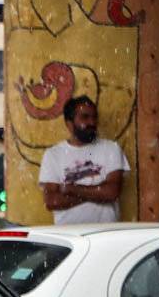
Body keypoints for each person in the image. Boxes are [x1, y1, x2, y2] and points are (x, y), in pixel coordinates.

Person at [39, 96, 130, 224]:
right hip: (69, 237)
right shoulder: (53, 155)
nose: (92, 123)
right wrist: (96, 193)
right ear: (69, 124)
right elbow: (52, 201)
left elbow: (111, 193)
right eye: (85, 117)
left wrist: (73, 190)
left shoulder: (111, 148)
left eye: (94, 117)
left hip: (106, 235)